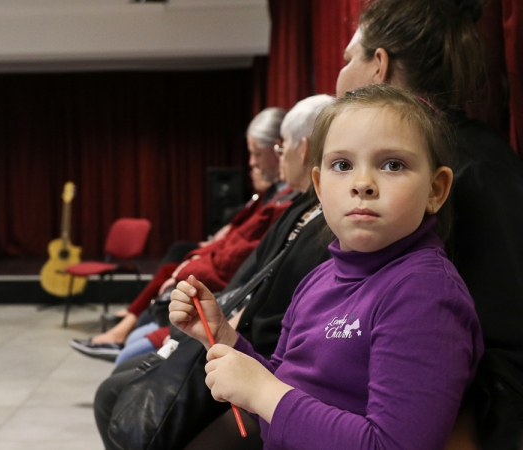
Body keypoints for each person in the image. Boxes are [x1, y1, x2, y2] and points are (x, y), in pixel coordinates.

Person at [170, 84, 484, 450]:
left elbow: (391, 445)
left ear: (436, 189)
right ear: (318, 186)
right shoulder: (318, 278)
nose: (363, 184)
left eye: (392, 164)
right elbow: (285, 391)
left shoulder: (425, 294)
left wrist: (263, 391)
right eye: (342, 165)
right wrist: (223, 337)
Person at [93, 94, 335, 450]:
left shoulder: (325, 222)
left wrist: (228, 337)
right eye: (340, 164)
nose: (358, 185)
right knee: (120, 384)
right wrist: (221, 328)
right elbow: (253, 276)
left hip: (269, 370)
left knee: (120, 387)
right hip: (246, 346)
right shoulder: (299, 206)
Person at [336, 0, 523, 447]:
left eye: (347, 60)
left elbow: (503, 351)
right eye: (342, 166)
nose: (363, 186)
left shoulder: (475, 173)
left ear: (378, 65)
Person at [72, 107, 297, 359]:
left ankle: (126, 328)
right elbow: (236, 241)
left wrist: (189, 268)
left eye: (256, 154)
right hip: (228, 294)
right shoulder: (276, 197)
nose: (251, 163)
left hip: (229, 301)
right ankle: (128, 326)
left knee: (172, 279)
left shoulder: (284, 205)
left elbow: (239, 256)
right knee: (176, 264)